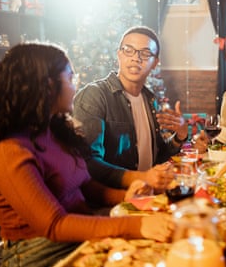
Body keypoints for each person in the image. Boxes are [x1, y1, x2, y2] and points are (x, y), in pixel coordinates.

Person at [0, 42, 174, 267]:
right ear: (48, 86)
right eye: (70, 78)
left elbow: (87, 186)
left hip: (81, 226)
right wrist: (136, 225)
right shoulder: (10, 150)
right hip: (39, 249)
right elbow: (54, 225)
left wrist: (126, 198)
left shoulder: (54, 129)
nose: (75, 85)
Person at [73, 25, 208, 191]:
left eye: (145, 53)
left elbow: (157, 156)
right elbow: (87, 163)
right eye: (129, 50)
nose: (136, 58)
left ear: (154, 63)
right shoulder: (95, 95)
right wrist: (142, 177)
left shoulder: (150, 100)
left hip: (148, 193)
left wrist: (180, 135)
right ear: (119, 54)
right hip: (114, 199)